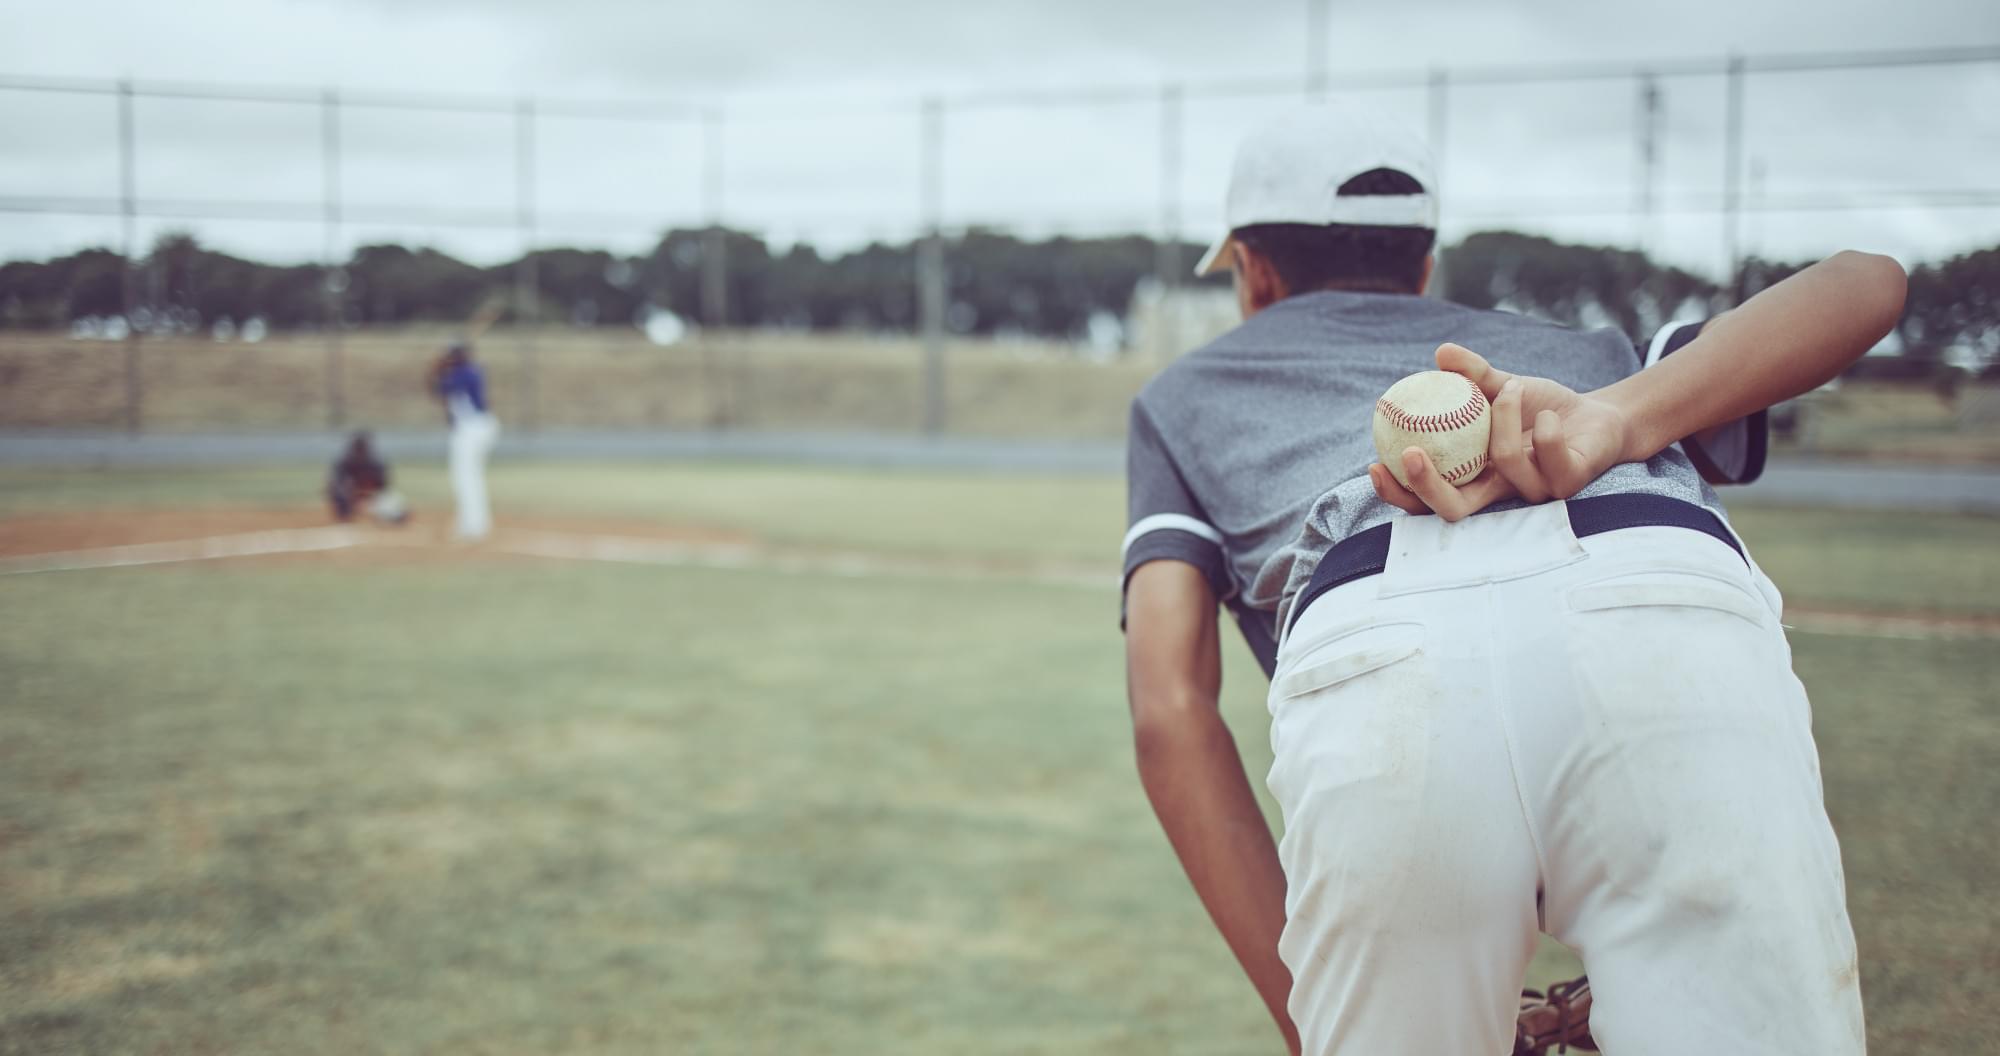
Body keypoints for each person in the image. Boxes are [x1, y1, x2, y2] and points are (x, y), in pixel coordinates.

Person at [1119, 103, 1903, 1055]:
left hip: (1370, 632)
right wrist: (1618, 419)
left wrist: (1315, 1012)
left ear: (1254, 268)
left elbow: (1169, 708)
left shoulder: (1181, 396)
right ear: (1423, 264)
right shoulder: (1581, 354)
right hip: (1656, 590)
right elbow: (1872, 283)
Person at [429, 341, 498, 540]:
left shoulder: (466, 373)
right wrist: (437, 370)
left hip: (473, 428)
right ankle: (475, 521)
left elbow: (440, 389)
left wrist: (436, 369)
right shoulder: (466, 371)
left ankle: (473, 524)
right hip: (473, 427)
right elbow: (438, 392)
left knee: (465, 476)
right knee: (470, 475)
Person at [326, 430, 408, 525]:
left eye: (361, 448)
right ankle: (346, 513)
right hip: (352, 497)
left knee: (393, 502)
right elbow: (336, 484)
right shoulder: (345, 463)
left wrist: (367, 496)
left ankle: (384, 515)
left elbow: (384, 487)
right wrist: (351, 495)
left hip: (371, 497)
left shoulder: (376, 463)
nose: (360, 451)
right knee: (337, 491)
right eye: (358, 448)